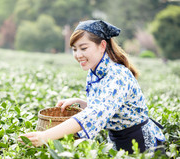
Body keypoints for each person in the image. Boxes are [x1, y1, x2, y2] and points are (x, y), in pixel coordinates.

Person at [18, 20, 165, 154]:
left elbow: (95, 114)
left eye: (83, 48)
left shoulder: (117, 75)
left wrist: (45, 136)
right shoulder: (94, 72)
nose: (78, 55)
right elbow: (109, 107)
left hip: (142, 144)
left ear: (102, 45)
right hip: (116, 142)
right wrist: (80, 102)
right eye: (74, 49)